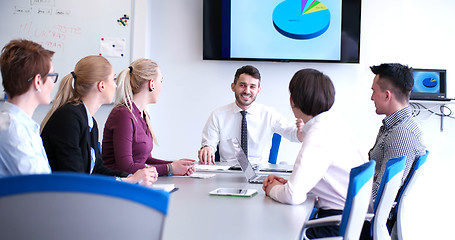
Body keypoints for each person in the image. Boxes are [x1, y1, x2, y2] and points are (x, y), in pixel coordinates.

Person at [262, 69, 366, 238]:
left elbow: (293, 196)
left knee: (270, 230)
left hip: (336, 224)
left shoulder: (319, 134)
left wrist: (272, 189)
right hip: (350, 220)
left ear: (293, 100)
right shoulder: (333, 123)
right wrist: (289, 183)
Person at [40, 55, 157, 186]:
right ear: (101, 85)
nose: (116, 84)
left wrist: (132, 177)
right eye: (113, 79)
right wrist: (128, 181)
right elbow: (74, 177)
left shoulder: (90, 122)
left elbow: (98, 170)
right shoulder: (68, 118)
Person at [102, 58, 195, 176]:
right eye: (160, 81)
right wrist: (169, 168)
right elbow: (126, 166)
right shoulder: (123, 115)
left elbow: (145, 160)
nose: (161, 87)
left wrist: (176, 165)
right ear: (151, 84)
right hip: (118, 185)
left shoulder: (142, 115)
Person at [198, 65, 303, 165]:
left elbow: (295, 135)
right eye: (242, 85)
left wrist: (301, 130)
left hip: (260, 172)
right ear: (233, 87)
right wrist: (207, 149)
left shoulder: (269, 115)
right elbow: (209, 144)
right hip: (228, 171)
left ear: (258, 90)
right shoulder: (218, 115)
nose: (247, 91)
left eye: (252, 87)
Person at [369, 63, 426, 201]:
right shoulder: (393, 127)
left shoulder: (401, 134)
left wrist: (342, 193)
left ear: (387, 95)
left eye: (373, 91)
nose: (371, 97)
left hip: (367, 214)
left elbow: (381, 194)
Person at [0, 39, 55, 176]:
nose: (53, 84)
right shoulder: (13, 127)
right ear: (37, 81)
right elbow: (38, 188)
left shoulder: (19, 124)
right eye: (51, 76)